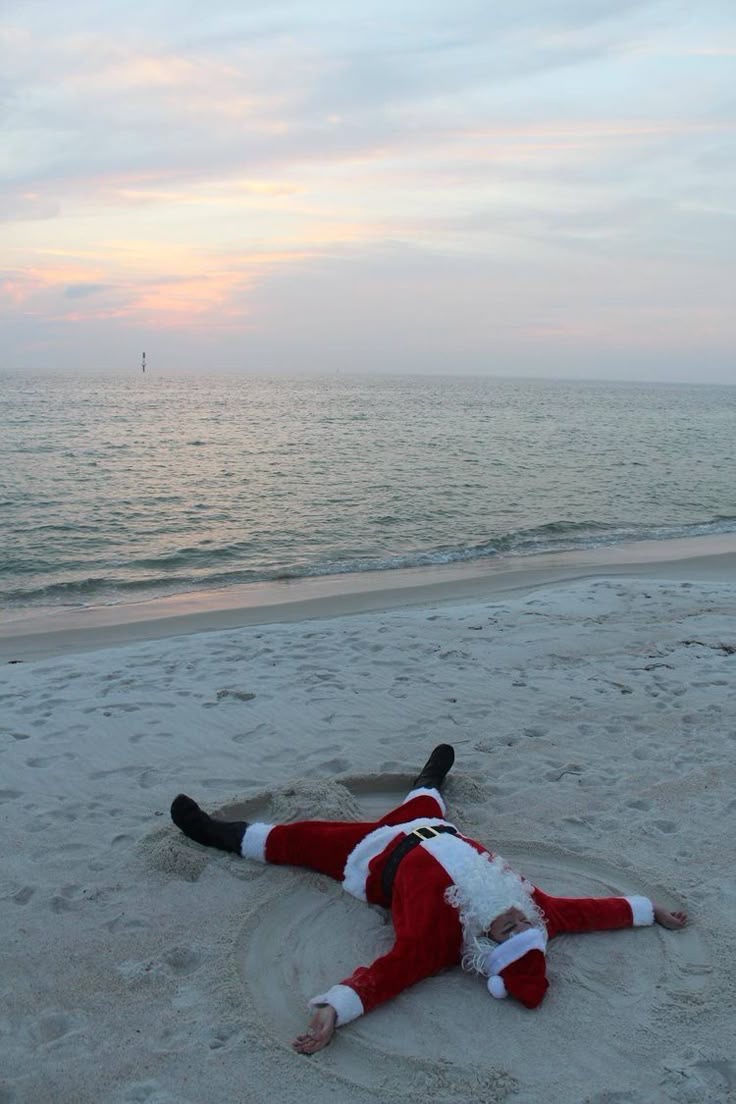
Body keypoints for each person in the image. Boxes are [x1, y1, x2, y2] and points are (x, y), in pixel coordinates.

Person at [170, 744, 687, 1055]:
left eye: (508, 929)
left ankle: (214, 832)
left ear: (485, 945)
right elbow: (593, 912)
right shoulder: (535, 909)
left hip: (370, 853)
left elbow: (389, 973)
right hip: (433, 824)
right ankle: (432, 777)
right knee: (428, 792)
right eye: (522, 923)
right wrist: (649, 911)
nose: (513, 915)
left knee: (295, 840)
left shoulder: (439, 938)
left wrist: (334, 1009)